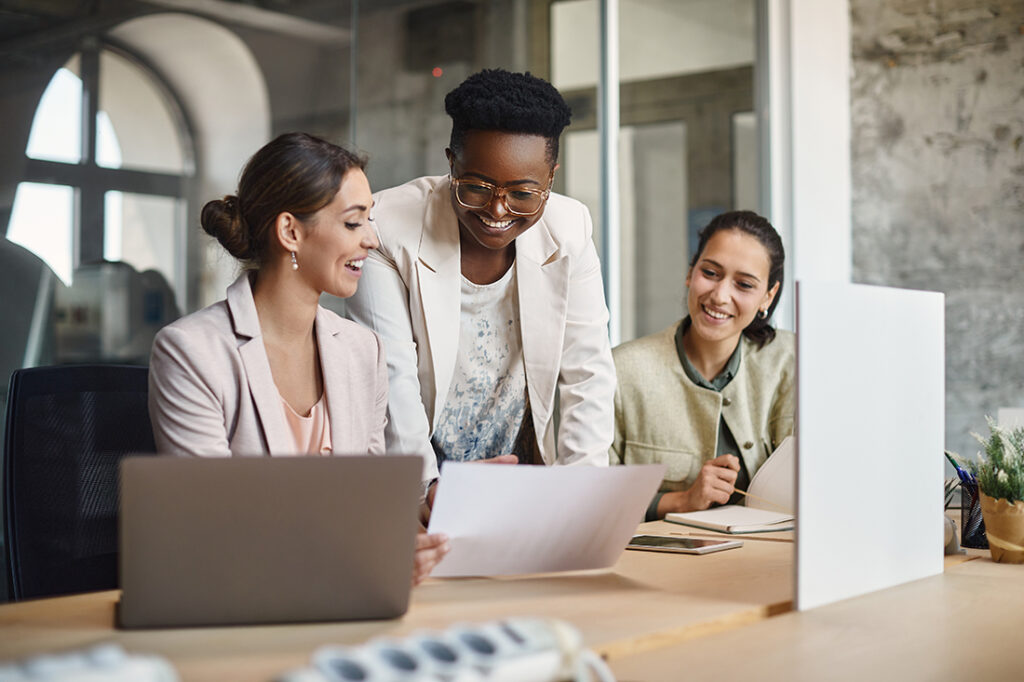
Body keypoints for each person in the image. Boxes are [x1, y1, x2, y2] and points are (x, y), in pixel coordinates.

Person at [148, 132, 447, 583]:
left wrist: (442, 506)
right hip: (240, 608)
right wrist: (362, 558)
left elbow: (366, 513)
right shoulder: (192, 353)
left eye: (370, 221)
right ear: (290, 231)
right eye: (353, 223)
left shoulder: (362, 351)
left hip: (347, 603)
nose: (371, 240)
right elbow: (211, 532)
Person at [346, 69, 616, 494]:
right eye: (475, 187)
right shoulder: (385, 227)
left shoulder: (570, 227)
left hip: (521, 478)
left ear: (551, 178)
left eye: (524, 193)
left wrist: (580, 494)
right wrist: (425, 488)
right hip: (417, 478)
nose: (497, 209)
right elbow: (391, 378)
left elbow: (588, 374)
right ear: (451, 163)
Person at [610, 210, 794, 521]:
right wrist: (681, 500)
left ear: (768, 296)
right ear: (690, 271)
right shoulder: (622, 371)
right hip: (659, 563)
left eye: (744, 285)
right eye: (710, 273)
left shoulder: (793, 362)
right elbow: (589, 501)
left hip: (770, 559)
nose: (720, 296)